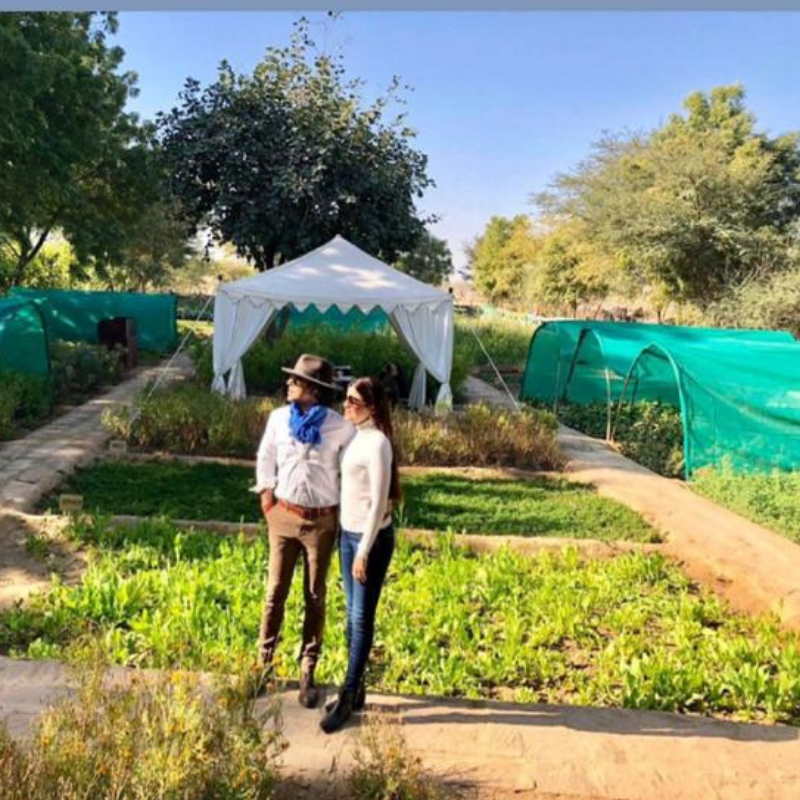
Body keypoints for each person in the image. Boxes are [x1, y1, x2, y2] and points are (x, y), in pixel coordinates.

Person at [254, 353, 355, 708]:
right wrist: (267, 499)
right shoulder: (278, 419)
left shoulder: (340, 428)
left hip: (321, 522)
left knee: (314, 595)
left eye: (295, 381)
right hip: (283, 516)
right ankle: (263, 665)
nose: (288, 385)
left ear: (311, 389)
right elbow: (266, 457)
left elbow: (355, 468)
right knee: (274, 593)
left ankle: (307, 671)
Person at [320, 376, 400, 734]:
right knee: (351, 620)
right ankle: (358, 685)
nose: (346, 405)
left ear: (371, 406)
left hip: (370, 541)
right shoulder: (355, 436)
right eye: (346, 399)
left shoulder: (378, 443)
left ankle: (349, 693)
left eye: (353, 401)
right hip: (347, 536)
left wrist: (364, 550)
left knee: (361, 618)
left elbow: (379, 502)